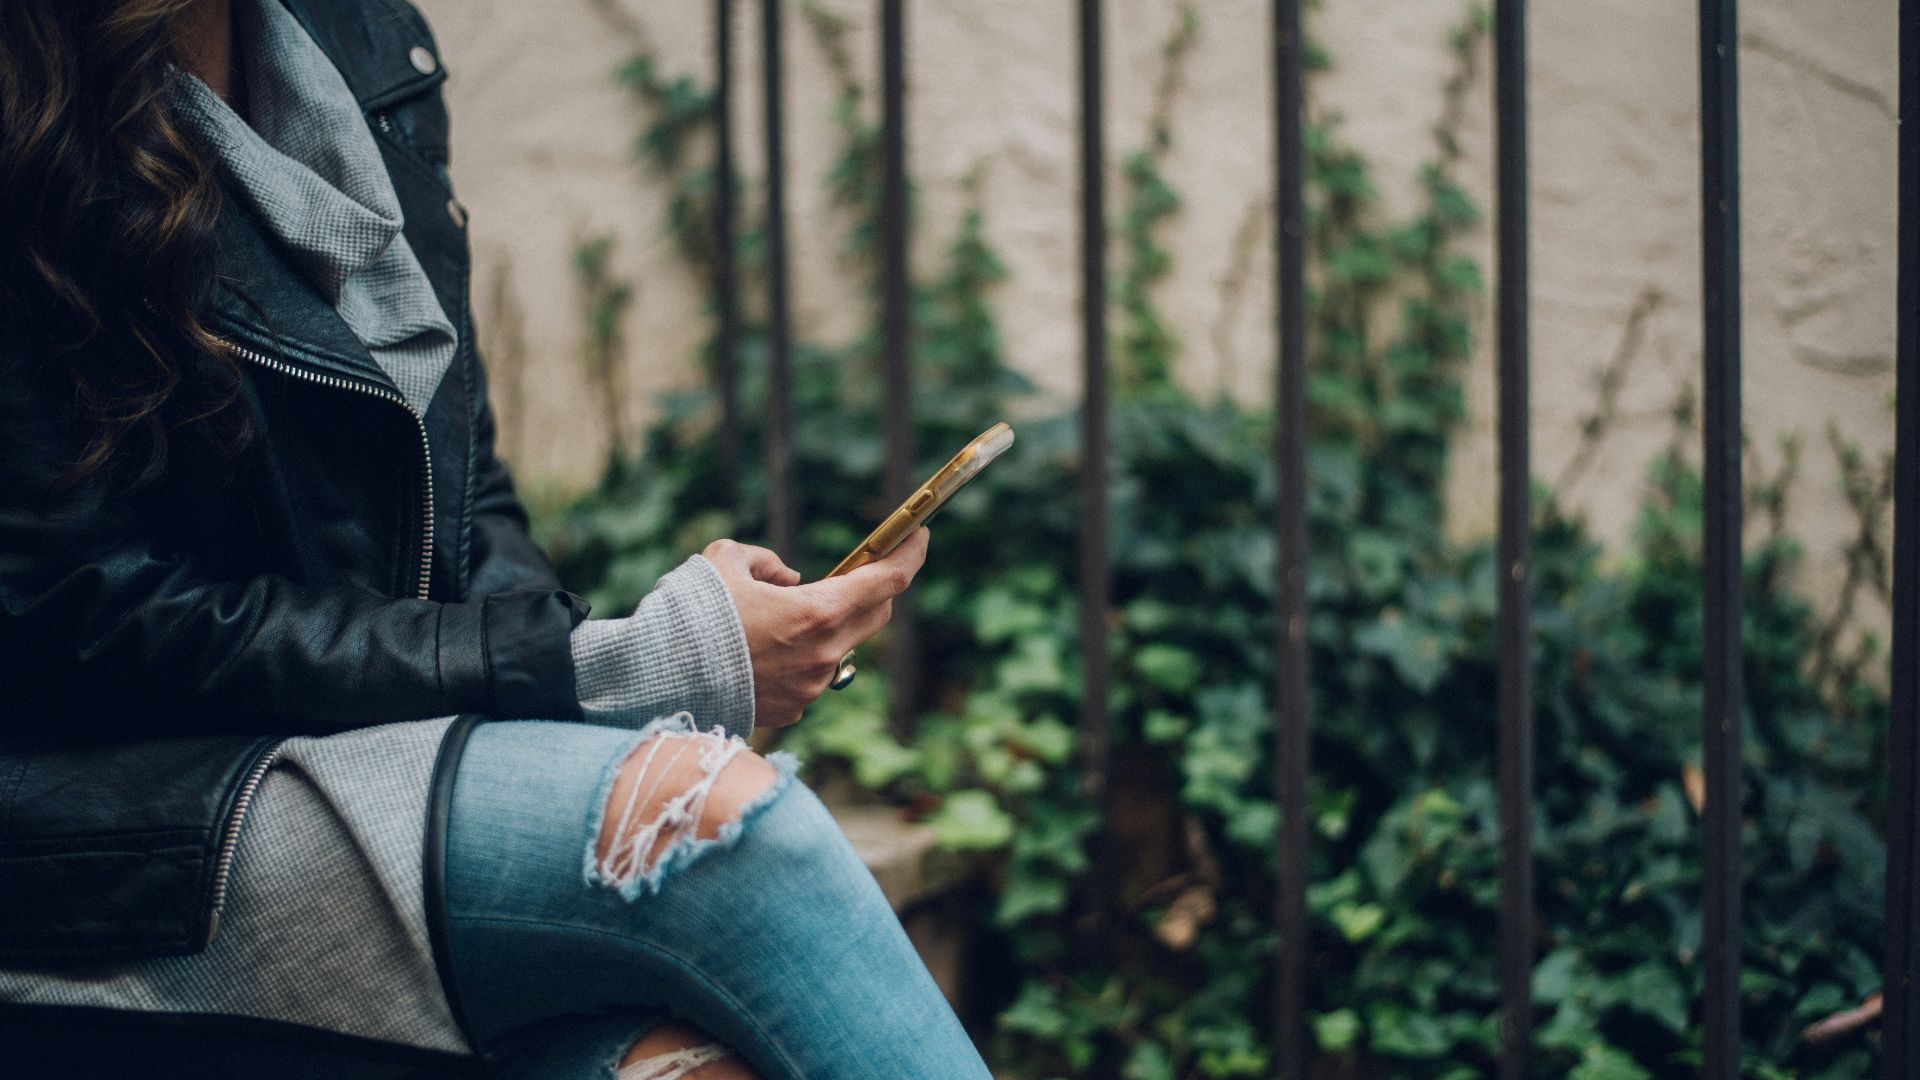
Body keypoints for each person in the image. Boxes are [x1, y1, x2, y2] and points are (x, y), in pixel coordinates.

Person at [0, 1, 994, 1077]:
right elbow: (83, 617)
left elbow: (458, 483)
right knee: (716, 834)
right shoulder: (30, 90)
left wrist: (588, 675)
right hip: (108, 818)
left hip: (356, 743)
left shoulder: (361, 40)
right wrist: (614, 670)